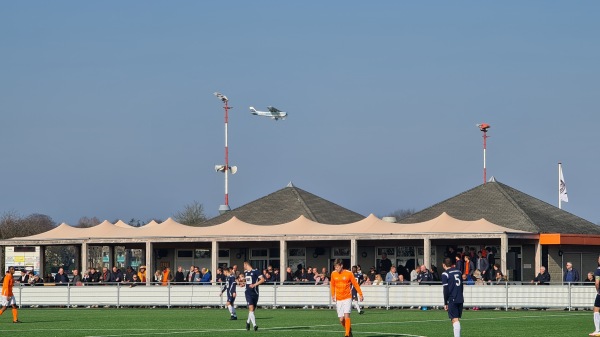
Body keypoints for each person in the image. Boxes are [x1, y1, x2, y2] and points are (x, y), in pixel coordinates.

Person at [330, 259, 363, 337]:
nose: (336, 269)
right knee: (341, 319)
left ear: (341, 265)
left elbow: (355, 284)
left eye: (337, 267)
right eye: (335, 267)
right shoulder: (333, 274)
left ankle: (347, 334)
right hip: (339, 298)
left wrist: (360, 294)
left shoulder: (349, 273)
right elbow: (332, 285)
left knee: (347, 315)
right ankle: (348, 330)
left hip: (347, 297)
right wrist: (333, 295)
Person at [442, 257, 464, 337]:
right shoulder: (459, 272)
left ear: (443, 265)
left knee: (454, 320)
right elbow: (462, 286)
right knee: (456, 319)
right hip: (460, 298)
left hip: (452, 298)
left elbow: (446, 289)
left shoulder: (445, 274)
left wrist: (445, 302)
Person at [243, 261, 265, 331]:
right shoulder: (246, 272)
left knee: (252, 310)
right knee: (251, 308)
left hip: (255, 293)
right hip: (248, 293)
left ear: (246, 264)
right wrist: (243, 284)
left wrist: (254, 285)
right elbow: (247, 282)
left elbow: (262, 280)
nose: (243, 266)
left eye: (244, 265)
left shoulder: (256, 271)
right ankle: (255, 325)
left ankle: (248, 322)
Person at [590, 256, 600, 336]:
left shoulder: (598, 270)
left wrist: (598, 290)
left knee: (596, 310)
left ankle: (597, 330)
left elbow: (597, 283)